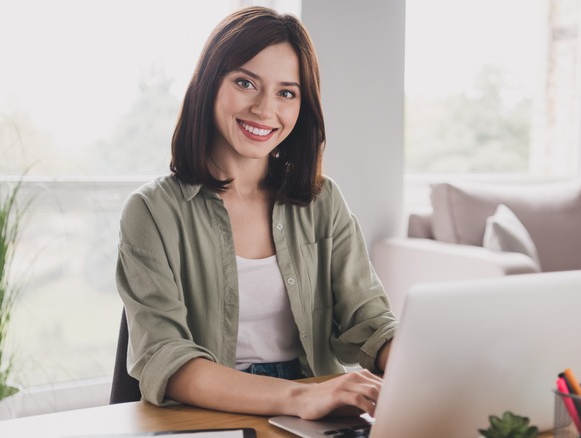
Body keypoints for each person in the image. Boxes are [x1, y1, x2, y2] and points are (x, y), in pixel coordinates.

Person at [115, 6, 397, 420]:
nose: (265, 109)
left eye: (287, 92)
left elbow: (368, 320)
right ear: (210, 84)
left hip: (315, 408)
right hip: (209, 411)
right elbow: (165, 358)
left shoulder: (322, 201)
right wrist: (297, 398)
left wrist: (424, 362)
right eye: (246, 82)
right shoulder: (151, 212)